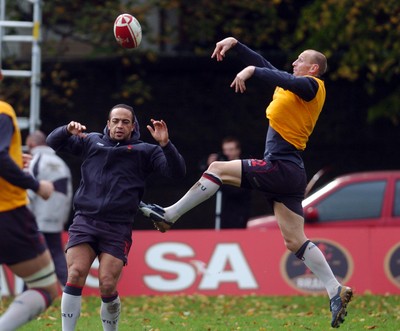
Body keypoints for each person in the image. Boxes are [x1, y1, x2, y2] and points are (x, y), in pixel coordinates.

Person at [139, 37, 353, 328]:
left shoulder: (314, 86)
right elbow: (268, 67)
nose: (294, 63)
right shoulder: (291, 85)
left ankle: (169, 214)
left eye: (300, 60)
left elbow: (267, 71)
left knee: (217, 168)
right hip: (289, 173)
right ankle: (334, 289)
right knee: (295, 241)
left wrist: (251, 71)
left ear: (313, 68)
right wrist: (236, 46)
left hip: (280, 166)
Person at [46, 104, 186, 331]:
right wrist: (66, 130)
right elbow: (53, 142)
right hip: (85, 220)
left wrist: (165, 144)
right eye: (115, 121)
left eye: (125, 122)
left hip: (117, 226)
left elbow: (177, 173)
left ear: (133, 126)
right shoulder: (91, 141)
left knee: (107, 285)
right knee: (75, 273)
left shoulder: (145, 151)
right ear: (108, 123)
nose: (119, 126)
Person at [0, 70, 58, 330]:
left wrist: (12, 160)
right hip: (7, 213)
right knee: (45, 288)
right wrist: (36, 185)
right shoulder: (3, 110)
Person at [25, 130, 73, 287]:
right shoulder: (60, 162)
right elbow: (69, 190)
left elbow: (28, 187)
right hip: (57, 213)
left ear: (31, 144)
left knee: (35, 253)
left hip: (40, 214)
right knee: (55, 251)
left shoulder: (35, 160)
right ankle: (68, 288)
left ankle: (29, 289)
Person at [201, 136, 251, 229]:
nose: (227, 153)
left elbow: (239, 191)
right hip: (220, 212)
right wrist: (209, 168)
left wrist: (220, 181)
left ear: (238, 150)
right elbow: (204, 184)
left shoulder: (243, 167)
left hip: (238, 213)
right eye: (225, 150)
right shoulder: (221, 167)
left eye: (231, 150)